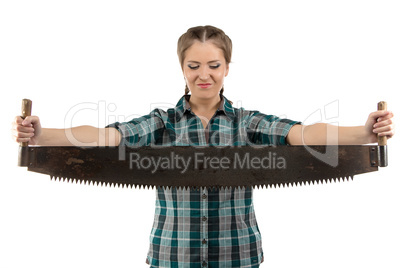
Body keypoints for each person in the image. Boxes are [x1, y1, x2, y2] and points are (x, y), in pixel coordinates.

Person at [12, 25, 395, 268]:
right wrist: (44, 136)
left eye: (213, 65)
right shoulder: (162, 122)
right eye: (194, 66)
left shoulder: (248, 122)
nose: (204, 75)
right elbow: (108, 136)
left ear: (227, 67)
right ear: (182, 69)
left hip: (238, 255)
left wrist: (362, 134)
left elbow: (304, 134)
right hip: (172, 255)